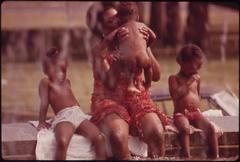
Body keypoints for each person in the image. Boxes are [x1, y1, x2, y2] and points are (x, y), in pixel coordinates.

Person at [87, 4, 169, 159]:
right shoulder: (100, 50)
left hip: (136, 96)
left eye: (119, 17)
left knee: (157, 133)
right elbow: (109, 84)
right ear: (101, 27)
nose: (118, 21)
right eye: (111, 20)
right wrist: (119, 58)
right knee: (118, 137)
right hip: (109, 99)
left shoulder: (134, 39)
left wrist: (145, 46)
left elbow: (156, 75)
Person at [37, 47, 107, 160]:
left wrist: (85, 115)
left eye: (63, 70)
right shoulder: (46, 82)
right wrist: (41, 121)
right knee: (63, 141)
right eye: (55, 70)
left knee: (99, 138)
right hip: (63, 117)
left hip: (78, 114)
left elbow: (73, 100)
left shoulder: (67, 82)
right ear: (46, 70)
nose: (60, 74)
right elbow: (44, 102)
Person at [168, 44, 219, 158]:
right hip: (181, 114)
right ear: (181, 63)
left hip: (195, 113)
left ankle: (215, 156)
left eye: (198, 65)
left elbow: (197, 94)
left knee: (210, 128)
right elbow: (175, 95)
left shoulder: (197, 78)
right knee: (185, 128)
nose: (195, 68)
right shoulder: (174, 78)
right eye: (191, 65)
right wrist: (188, 82)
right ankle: (186, 155)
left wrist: (197, 109)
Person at [116, 2, 157, 93]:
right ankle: (148, 85)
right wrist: (146, 44)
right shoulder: (142, 25)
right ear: (137, 16)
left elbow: (116, 43)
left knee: (128, 69)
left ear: (119, 19)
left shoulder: (122, 29)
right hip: (143, 55)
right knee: (148, 67)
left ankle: (130, 85)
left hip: (129, 57)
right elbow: (154, 36)